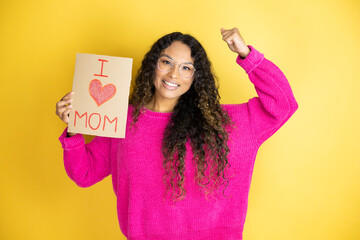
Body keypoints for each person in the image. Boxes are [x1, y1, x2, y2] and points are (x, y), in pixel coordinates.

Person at [56, 28, 298, 239]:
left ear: (195, 78)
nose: (174, 75)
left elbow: (283, 104)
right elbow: (85, 173)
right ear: (153, 65)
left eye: (186, 68)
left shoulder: (224, 122)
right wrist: (74, 129)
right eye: (166, 62)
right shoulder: (121, 119)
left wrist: (247, 55)